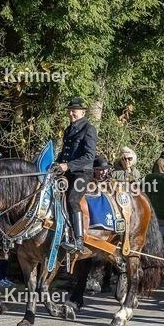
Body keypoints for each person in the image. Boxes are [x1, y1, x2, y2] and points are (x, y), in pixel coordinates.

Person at [54, 97, 97, 253]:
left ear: (83, 112)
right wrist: (56, 163)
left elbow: (89, 156)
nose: (71, 113)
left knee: (72, 199)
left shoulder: (89, 129)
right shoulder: (68, 129)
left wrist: (68, 165)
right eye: (70, 111)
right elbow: (65, 153)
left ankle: (78, 240)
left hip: (82, 173)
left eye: (75, 111)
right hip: (66, 172)